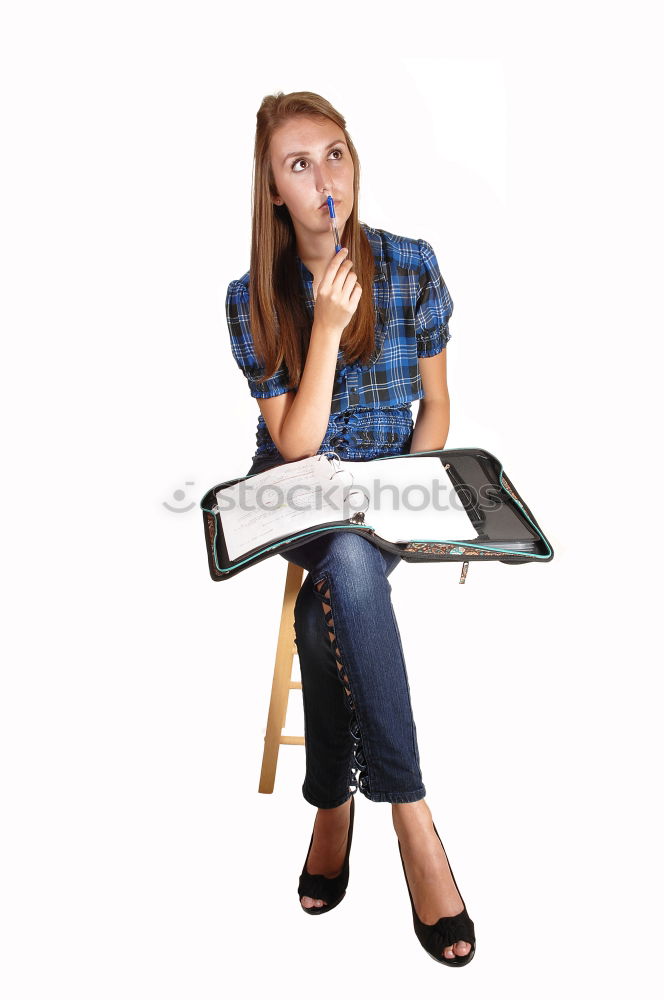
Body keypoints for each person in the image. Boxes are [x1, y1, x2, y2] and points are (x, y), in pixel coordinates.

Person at [225, 90, 475, 967]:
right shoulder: (250, 295)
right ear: (274, 194)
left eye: (335, 153)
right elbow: (294, 444)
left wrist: (406, 485)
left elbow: (436, 405)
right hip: (295, 492)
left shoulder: (411, 265)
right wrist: (325, 328)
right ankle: (414, 820)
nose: (326, 178)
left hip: (387, 494)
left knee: (343, 580)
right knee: (342, 559)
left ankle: (332, 801)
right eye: (300, 165)